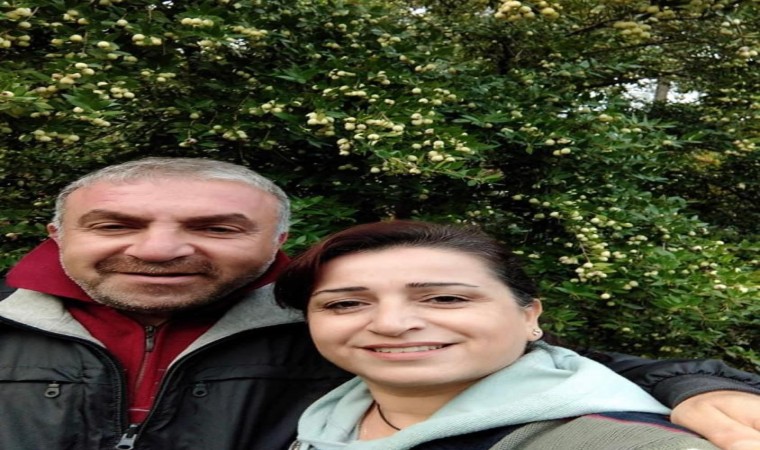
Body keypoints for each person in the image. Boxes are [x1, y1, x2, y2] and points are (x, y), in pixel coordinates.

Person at [0, 157, 757, 450]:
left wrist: (693, 385)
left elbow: (516, 361)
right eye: (116, 225)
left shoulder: (328, 324)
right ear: (58, 236)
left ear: (277, 243)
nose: (162, 248)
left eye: (216, 228)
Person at [272, 220, 745, 449]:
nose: (392, 324)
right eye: (345, 304)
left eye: (445, 298)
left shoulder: (622, 442)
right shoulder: (322, 421)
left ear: (529, 316)